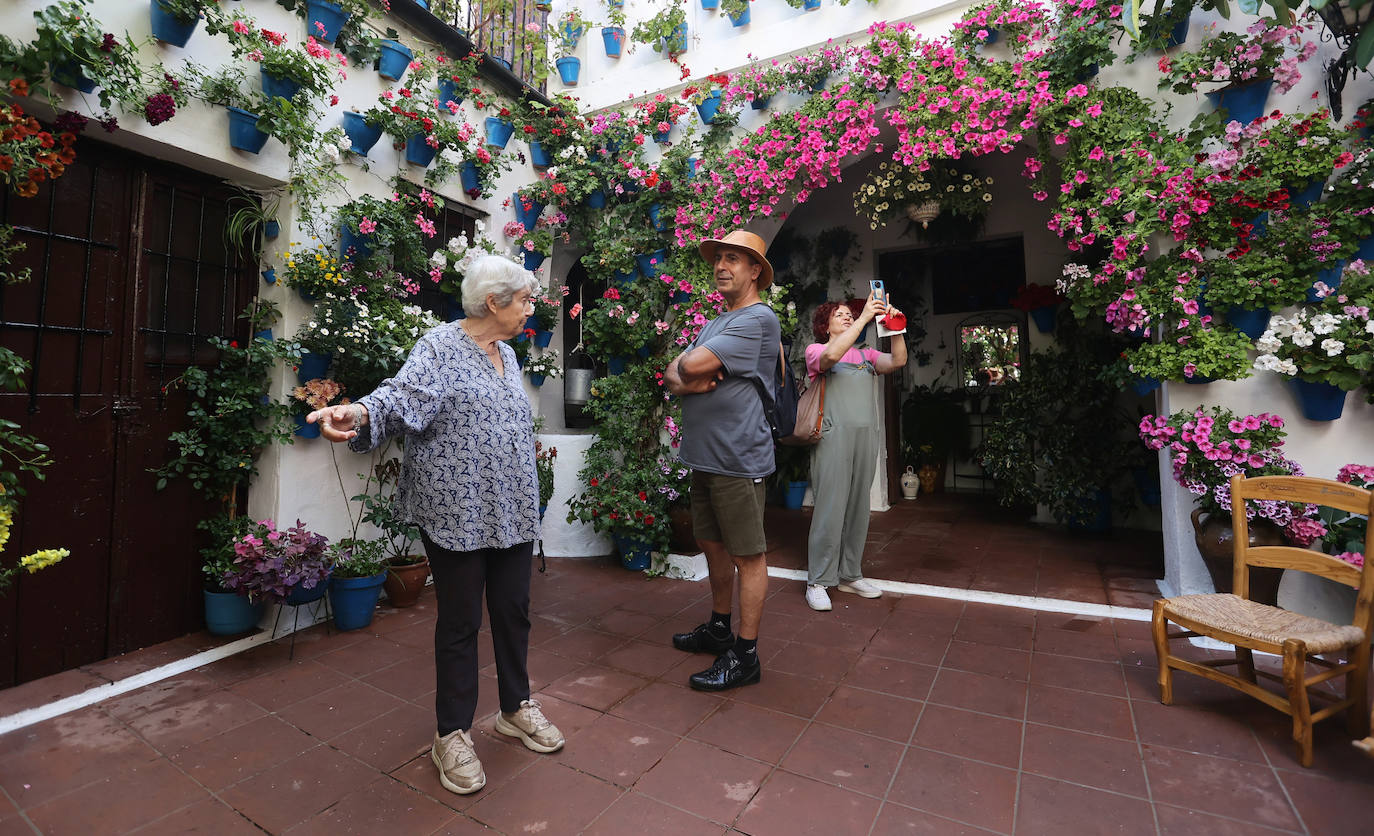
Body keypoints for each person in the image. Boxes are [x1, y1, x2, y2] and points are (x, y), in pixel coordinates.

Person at [307, 255, 563, 796]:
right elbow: (401, 397)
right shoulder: (441, 347)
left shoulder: (509, 353)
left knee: (514, 611)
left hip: (511, 506)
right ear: (494, 301)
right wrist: (354, 414)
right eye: (523, 300)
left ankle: (515, 707)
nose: (529, 309)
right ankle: (451, 733)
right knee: (461, 621)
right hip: (457, 509)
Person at [664, 229, 780, 691]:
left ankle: (746, 655)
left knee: (747, 556)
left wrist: (688, 373)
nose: (722, 266)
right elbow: (672, 375)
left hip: (738, 458)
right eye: (719, 258)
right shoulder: (718, 322)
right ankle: (718, 627)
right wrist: (687, 376)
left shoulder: (757, 319)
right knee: (712, 545)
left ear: (755, 271)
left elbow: (688, 368)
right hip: (705, 457)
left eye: (734, 259)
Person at [802, 291, 907, 612]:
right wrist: (863, 318)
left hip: (865, 440)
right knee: (830, 508)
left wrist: (896, 327)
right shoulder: (816, 350)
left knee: (859, 509)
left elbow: (898, 361)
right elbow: (831, 358)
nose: (847, 316)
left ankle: (849, 574)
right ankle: (818, 580)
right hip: (832, 438)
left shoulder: (867, 355)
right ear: (825, 325)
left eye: (851, 313)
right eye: (840, 314)